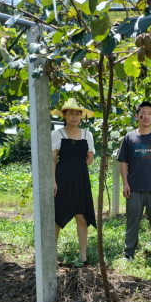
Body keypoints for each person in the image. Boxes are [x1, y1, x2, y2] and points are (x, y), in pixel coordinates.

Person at [117, 101, 151, 269]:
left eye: (150, 113)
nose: (146, 116)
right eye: (143, 113)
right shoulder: (129, 138)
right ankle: (129, 254)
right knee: (132, 223)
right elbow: (123, 162)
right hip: (134, 188)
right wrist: (125, 184)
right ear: (137, 116)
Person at [52, 98, 96, 264]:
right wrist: (54, 181)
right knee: (57, 216)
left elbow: (90, 158)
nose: (75, 117)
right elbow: (52, 160)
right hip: (62, 178)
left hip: (81, 179)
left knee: (82, 217)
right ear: (64, 114)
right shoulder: (56, 134)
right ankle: (51, 255)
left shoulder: (87, 135)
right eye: (71, 113)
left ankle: (83, 257)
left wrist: (77, 169)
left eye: (78, 113)